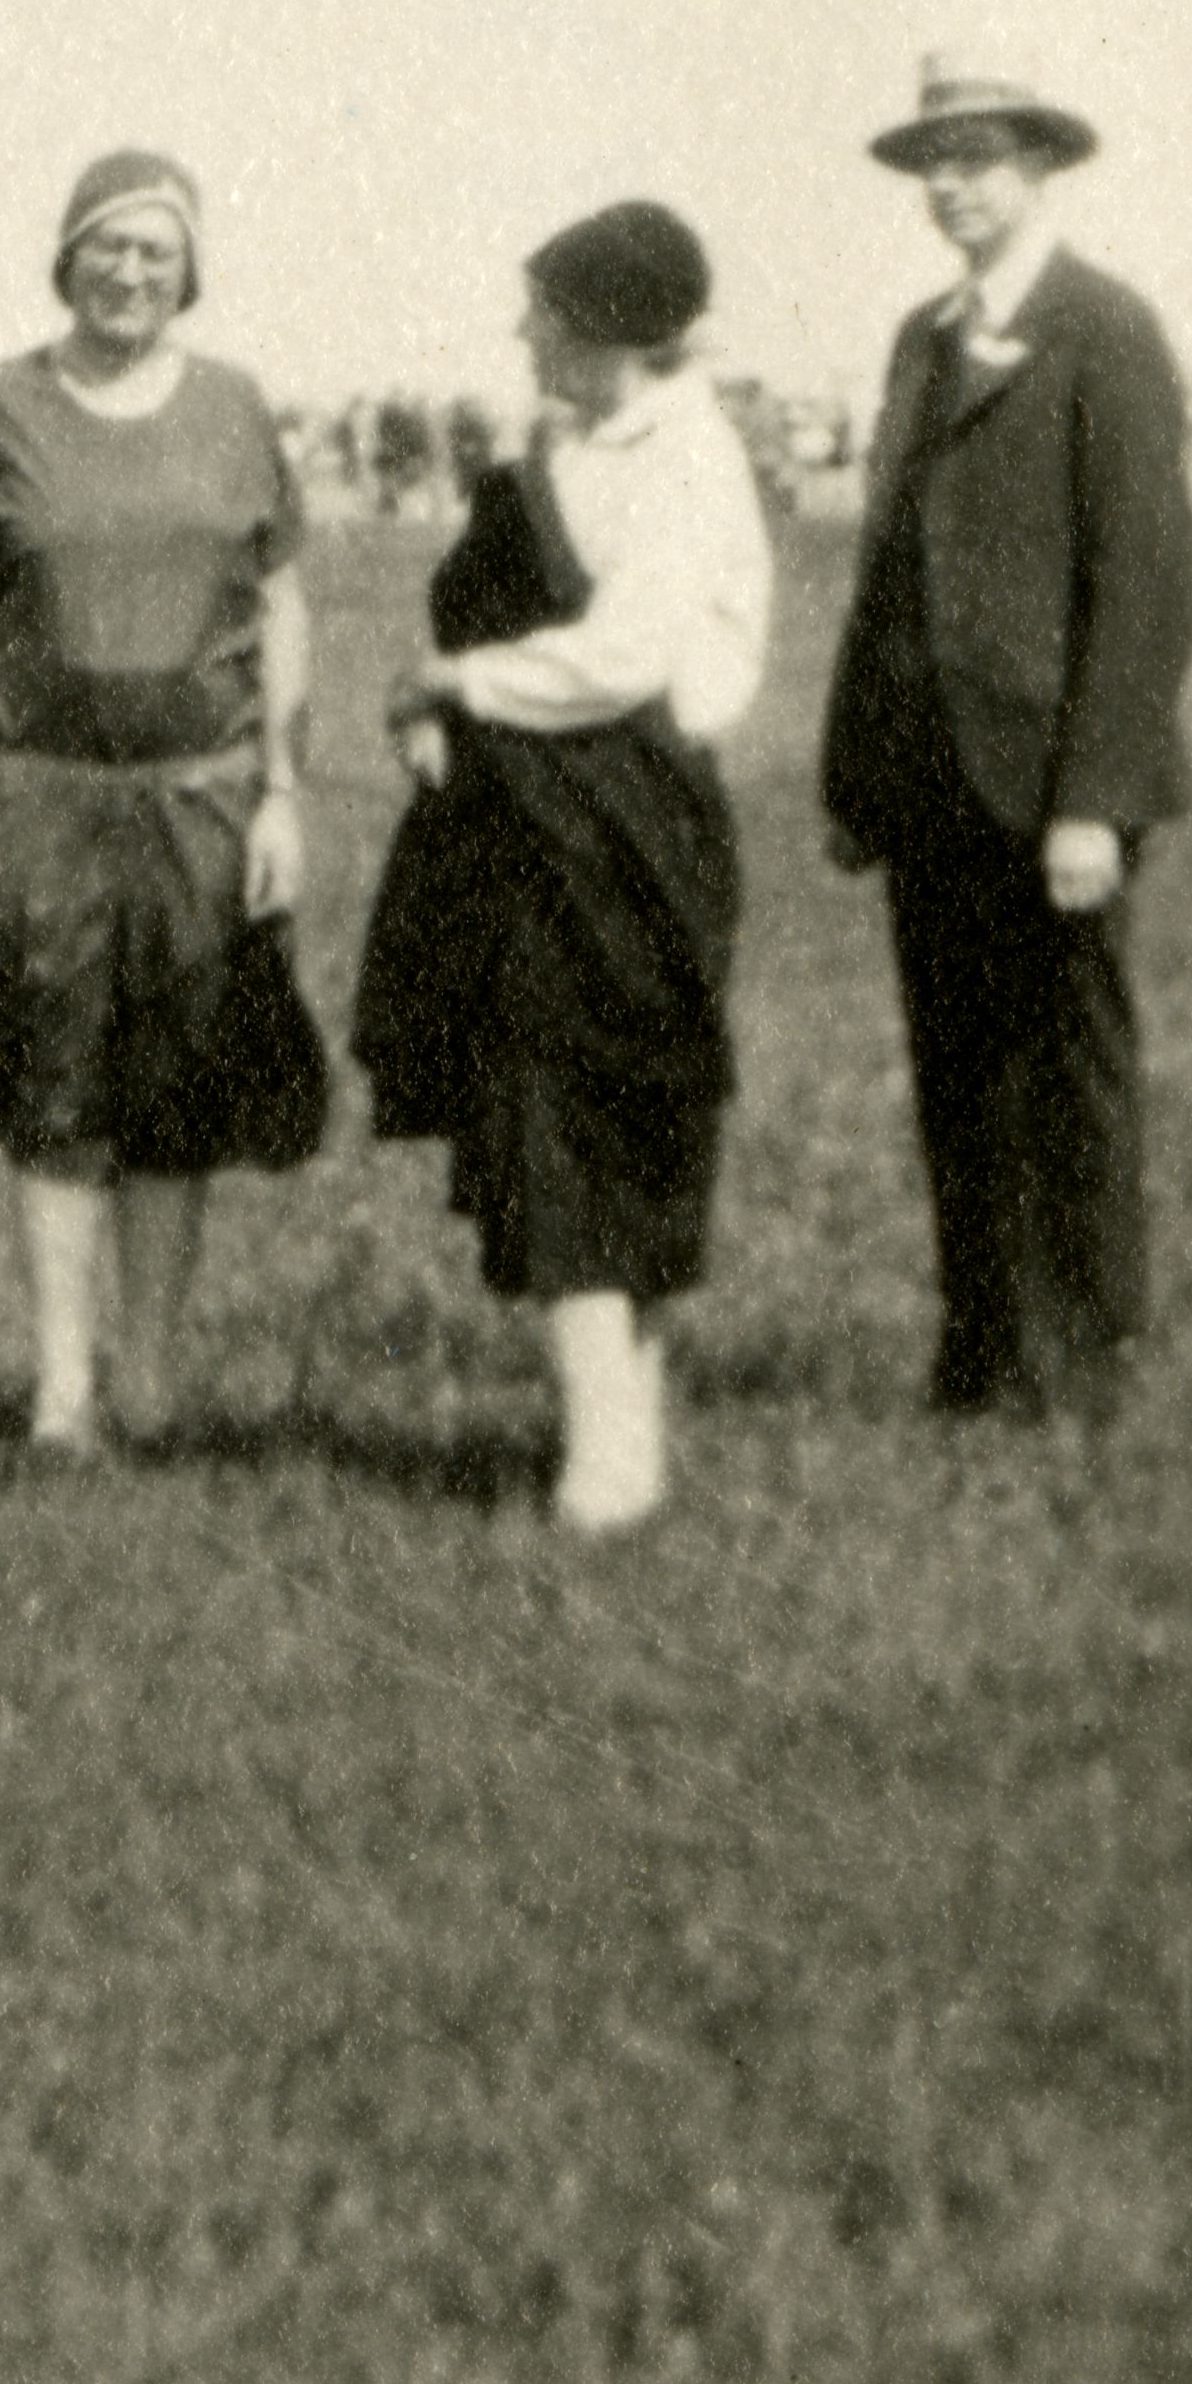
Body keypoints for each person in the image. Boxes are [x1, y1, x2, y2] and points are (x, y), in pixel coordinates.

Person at [350, 202, 770, 1537]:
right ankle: (617, 1441)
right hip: (530, 822)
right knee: (546, 1104)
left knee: (597, 1114)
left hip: (626, 823)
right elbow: (480, 605)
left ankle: (606, 1455)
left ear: (605, 331)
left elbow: (626, 652)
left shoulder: (686, 456)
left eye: (544, 310)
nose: (525, 331)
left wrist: (460, 680)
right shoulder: (563, 445)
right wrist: (437, 702)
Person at [0, 149, 324, 1454]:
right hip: (44, 795)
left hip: (202, 797)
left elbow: (280, 606)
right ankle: (59, 1393)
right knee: (53, 1093)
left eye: (155, 249)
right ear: (67, 253)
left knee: (176, 1093)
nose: (130, 270)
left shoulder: (233, 406)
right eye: (109, 243)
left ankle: (146, 1379)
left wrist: (279, 793)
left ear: (187, 269)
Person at [818, 58, 1192, 1428]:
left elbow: (1144, 585)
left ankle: (1086, 1365)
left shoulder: (1102, 328)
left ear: (1039, 164)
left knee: (1067, 1076)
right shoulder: (922, 338)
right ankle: (979, 1353)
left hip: (1050, 786)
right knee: (956, 1071)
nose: (949, 183)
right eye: (932, 158)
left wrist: (1092, 798)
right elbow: (883, 573)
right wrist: (855, 773)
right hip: (930, 780)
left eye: (976, 155)